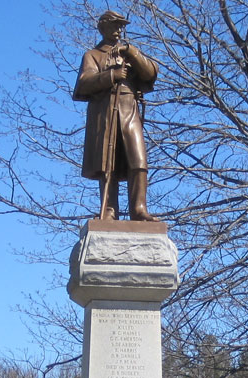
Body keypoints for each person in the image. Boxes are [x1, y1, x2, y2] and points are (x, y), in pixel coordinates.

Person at [73, 10, 159, 222]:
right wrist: (112, 75)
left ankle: (139, 209)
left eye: (121, 26)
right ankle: (109, 211)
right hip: (105, 112)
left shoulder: (129, 53)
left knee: (138, 160)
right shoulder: (93, 55)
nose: (119, 30)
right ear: (103, 27)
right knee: (107, 163)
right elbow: (84, 83)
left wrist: (132, 52)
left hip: (129, 111)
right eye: (115, 25)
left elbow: (150, 73)